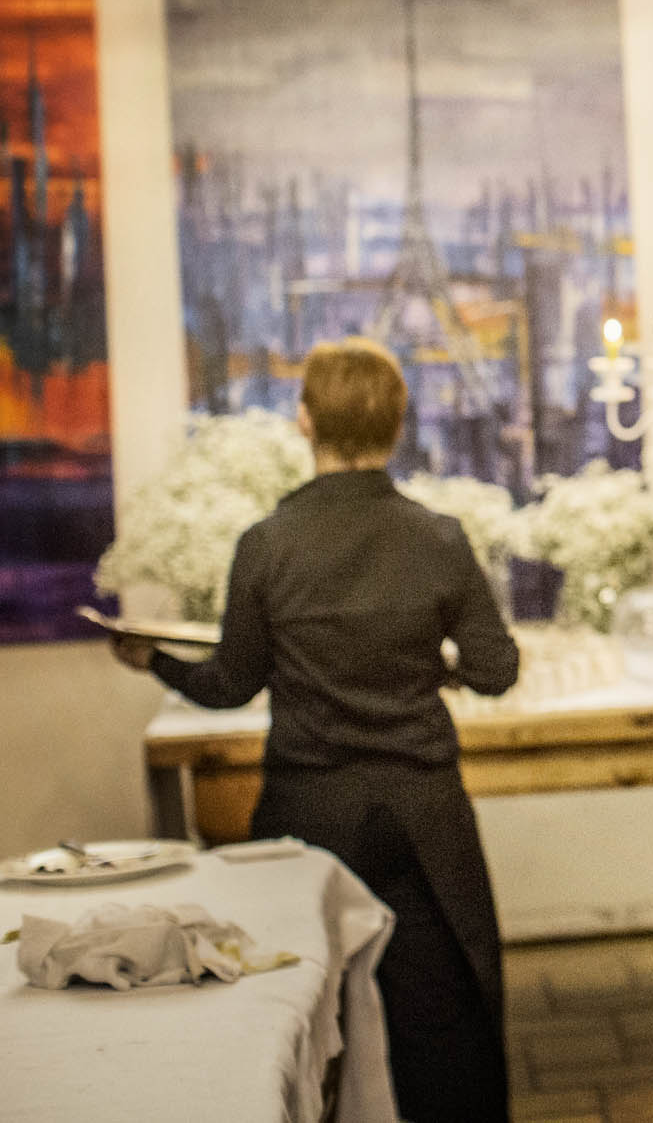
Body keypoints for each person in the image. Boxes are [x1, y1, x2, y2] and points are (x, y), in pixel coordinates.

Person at [109, 338, 518, 1123]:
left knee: (295, 1012)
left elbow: (230, 683)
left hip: (309, 810)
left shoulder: (266, 544)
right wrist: (439, 667)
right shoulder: (438, 537)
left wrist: (154, 657)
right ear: (398, 425)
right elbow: (497, 668)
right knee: (446, 1018)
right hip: (422, 810)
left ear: (305, 422)